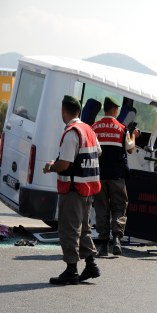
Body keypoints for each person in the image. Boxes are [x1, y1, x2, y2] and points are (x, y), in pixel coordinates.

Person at [44, 95, 102, 285]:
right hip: (88, 188)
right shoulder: (88, 129)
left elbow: (65, 164)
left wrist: (51, 166)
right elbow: (97, 152)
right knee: (84, 228)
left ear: (64, 111)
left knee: (69, 229)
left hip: (73, 188)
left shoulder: (71, 132)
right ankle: (91, 265)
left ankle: (71, 271)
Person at [92, 96, 140, 256]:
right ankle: (117, 240)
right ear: (114, 109)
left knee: (101, 208)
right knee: (119, 207)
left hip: (99, 176)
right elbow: (131, 148)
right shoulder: (121, 128)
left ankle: (104, 245)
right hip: (117, 176)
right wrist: (133, 135)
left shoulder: (94, 128)